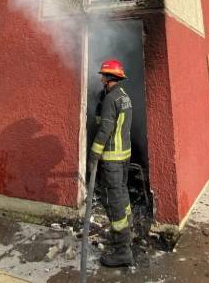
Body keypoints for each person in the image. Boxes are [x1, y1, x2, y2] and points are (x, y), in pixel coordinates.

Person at [91, 59, 134, 268]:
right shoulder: (124, 97)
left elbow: (104, 130)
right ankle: (129, 232)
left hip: (112, 159)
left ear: (109, 78)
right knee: (123, 196)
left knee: (114, 202)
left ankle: (122, 251)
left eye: (103, 76)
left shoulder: (111, 100)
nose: (101, 79)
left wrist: (93, 156)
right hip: (125, 156)